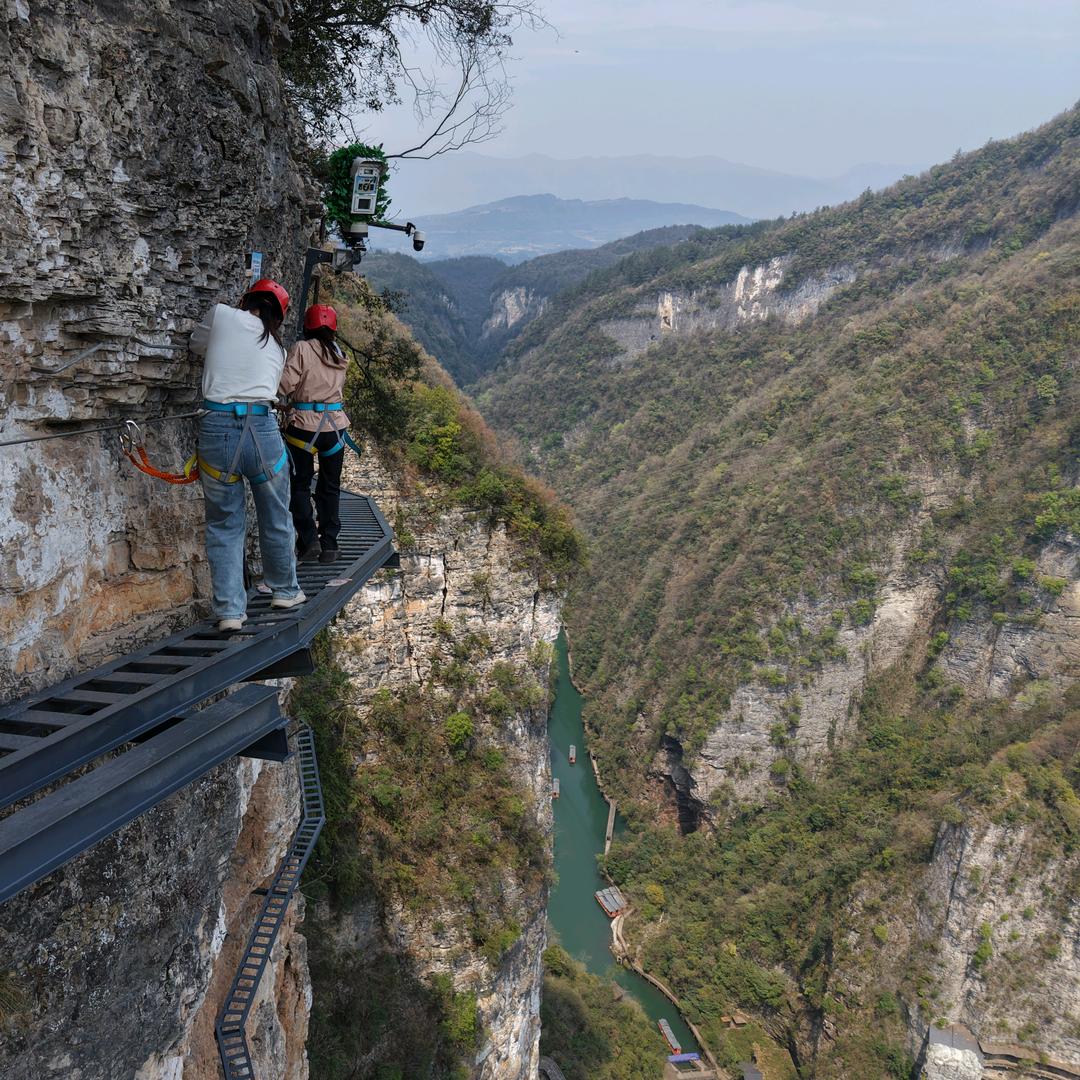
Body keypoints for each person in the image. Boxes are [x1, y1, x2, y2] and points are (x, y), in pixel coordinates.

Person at [189, 279, 306, 632]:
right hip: (263, 430)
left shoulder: (222, 315)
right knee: (275, 515)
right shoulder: (278, 348)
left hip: (217, 429)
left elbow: (197, 347)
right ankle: (285, 590)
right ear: (279, 316)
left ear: (246, 300)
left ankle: (229, 612)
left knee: (224, 523)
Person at [278, 303, 357, 564]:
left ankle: (309, 539)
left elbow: (285, 384)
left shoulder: (302, 349)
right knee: (330, 486)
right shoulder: (339, 353)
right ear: (333, 329)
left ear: (307, 326)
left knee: (299, 484)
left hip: (304, 425)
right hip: (334, 427)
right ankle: (330, 544)